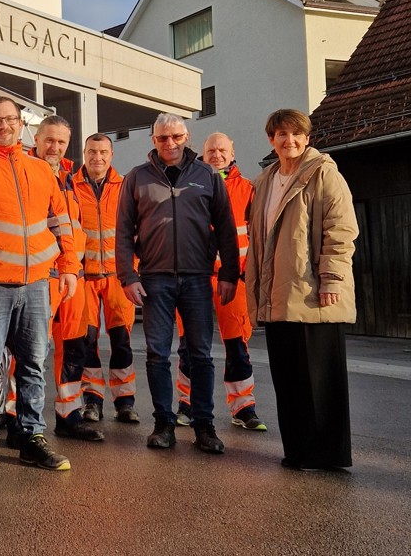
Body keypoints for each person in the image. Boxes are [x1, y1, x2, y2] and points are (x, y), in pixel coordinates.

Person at [0, 97, 80, 474]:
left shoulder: (42, 171)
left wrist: (70, 267)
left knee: (33, 365)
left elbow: (61, 221)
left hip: (36, 284)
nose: (4, 126)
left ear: (21, 125)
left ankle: (31, 438)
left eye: (10, 120)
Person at [116, 113, 239, 454]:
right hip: (154, 279)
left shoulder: (208, 175)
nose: (169, 143)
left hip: (198, 279)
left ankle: (204, 426)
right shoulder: (136, 178)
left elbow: (226, 228)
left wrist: (229, 274)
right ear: (153, 140)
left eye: (175, 137)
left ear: (187, 137)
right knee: (157, 355)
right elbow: (124, 231)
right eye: (161, 138)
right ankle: (163, 424)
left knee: (200, 354)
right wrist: (127, 275)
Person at [245, 109, 358, 471]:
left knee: (319, 379)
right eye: (281, 134)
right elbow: (260, 240)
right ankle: (298, 451)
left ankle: (328, 454)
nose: (288, 140)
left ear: (306, 137)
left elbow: (340, 230)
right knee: (288, 378)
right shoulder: (264, 181)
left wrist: (331, 280)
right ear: (271, 140)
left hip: (313, 292)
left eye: (296, 134)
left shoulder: (324, 173)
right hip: (278, 295)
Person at [12, 116, 103, 442]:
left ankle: (69, 414)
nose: (55, 147)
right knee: (27, 351)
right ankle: (13, 419)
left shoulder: (69, 178)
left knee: (75, 346)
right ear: (35, 139)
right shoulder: (21, 170)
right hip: (39, 277)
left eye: (61, 142)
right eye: (49, 140)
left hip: (71, 275)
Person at [175, 133, 266, 431]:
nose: (216, 154)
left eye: (222, 149)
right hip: (195, 280)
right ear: (203, 154)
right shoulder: (188, 186)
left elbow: (260, 237)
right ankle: (186, 406)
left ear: (232, 151)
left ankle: (243, 408)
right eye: (211, 150)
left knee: (237, 344)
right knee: (190, 347)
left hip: (235, 278)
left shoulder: (249, 190)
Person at [73, 133, 139, 426]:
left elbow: (140, 230)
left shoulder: (126, 186)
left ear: (111, 155)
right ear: (84, 153)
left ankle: (125, 403)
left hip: (118, 276)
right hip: (85, 277)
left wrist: (135, 270)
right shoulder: (70, 186)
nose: (96, 157)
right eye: (91, 152)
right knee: (87, 342)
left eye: (102, 152)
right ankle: (92, 401)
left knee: (122, 341)